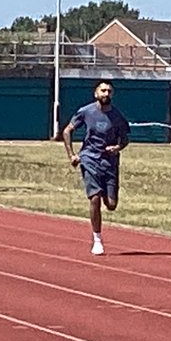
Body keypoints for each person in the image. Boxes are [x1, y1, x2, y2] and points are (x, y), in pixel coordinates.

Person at [60, 80, 131, 255]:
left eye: (109, 91)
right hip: (89, 158)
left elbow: (125, 138)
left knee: (112, 204)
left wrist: (118, 147)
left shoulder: (118, 116)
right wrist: (72, 155)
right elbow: (67, 131)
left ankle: (108, 195)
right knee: (94, 198)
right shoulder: (86, 111)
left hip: (110, 162)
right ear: (96, 93)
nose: (106, 94)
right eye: (103, 91)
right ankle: (97, 239)